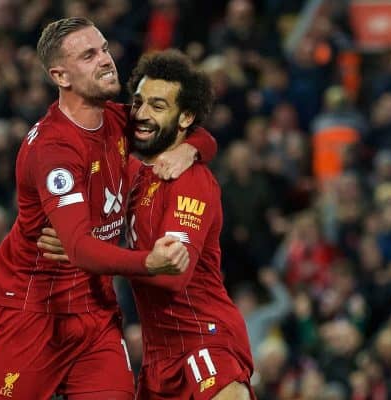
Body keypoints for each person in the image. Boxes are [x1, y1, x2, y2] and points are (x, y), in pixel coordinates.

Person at [0, 17, 217, 400]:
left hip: (95, 310)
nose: (106, 60)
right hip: (36, 311)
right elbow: (78, 248)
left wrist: (191, 149)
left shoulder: (118, 121)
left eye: (104, 48)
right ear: (61, 76)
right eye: (89, 55)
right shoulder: (55, 151)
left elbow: (190, 128)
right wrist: (147, 263)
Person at [41, 50, 255, 399]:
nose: (141, 114)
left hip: (203, 341)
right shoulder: (138, 174)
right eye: (138, 102)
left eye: (158, 106)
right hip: (158, 360)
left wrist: (88, 254)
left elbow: (173, 272)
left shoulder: (190, 181)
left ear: (186, 117)